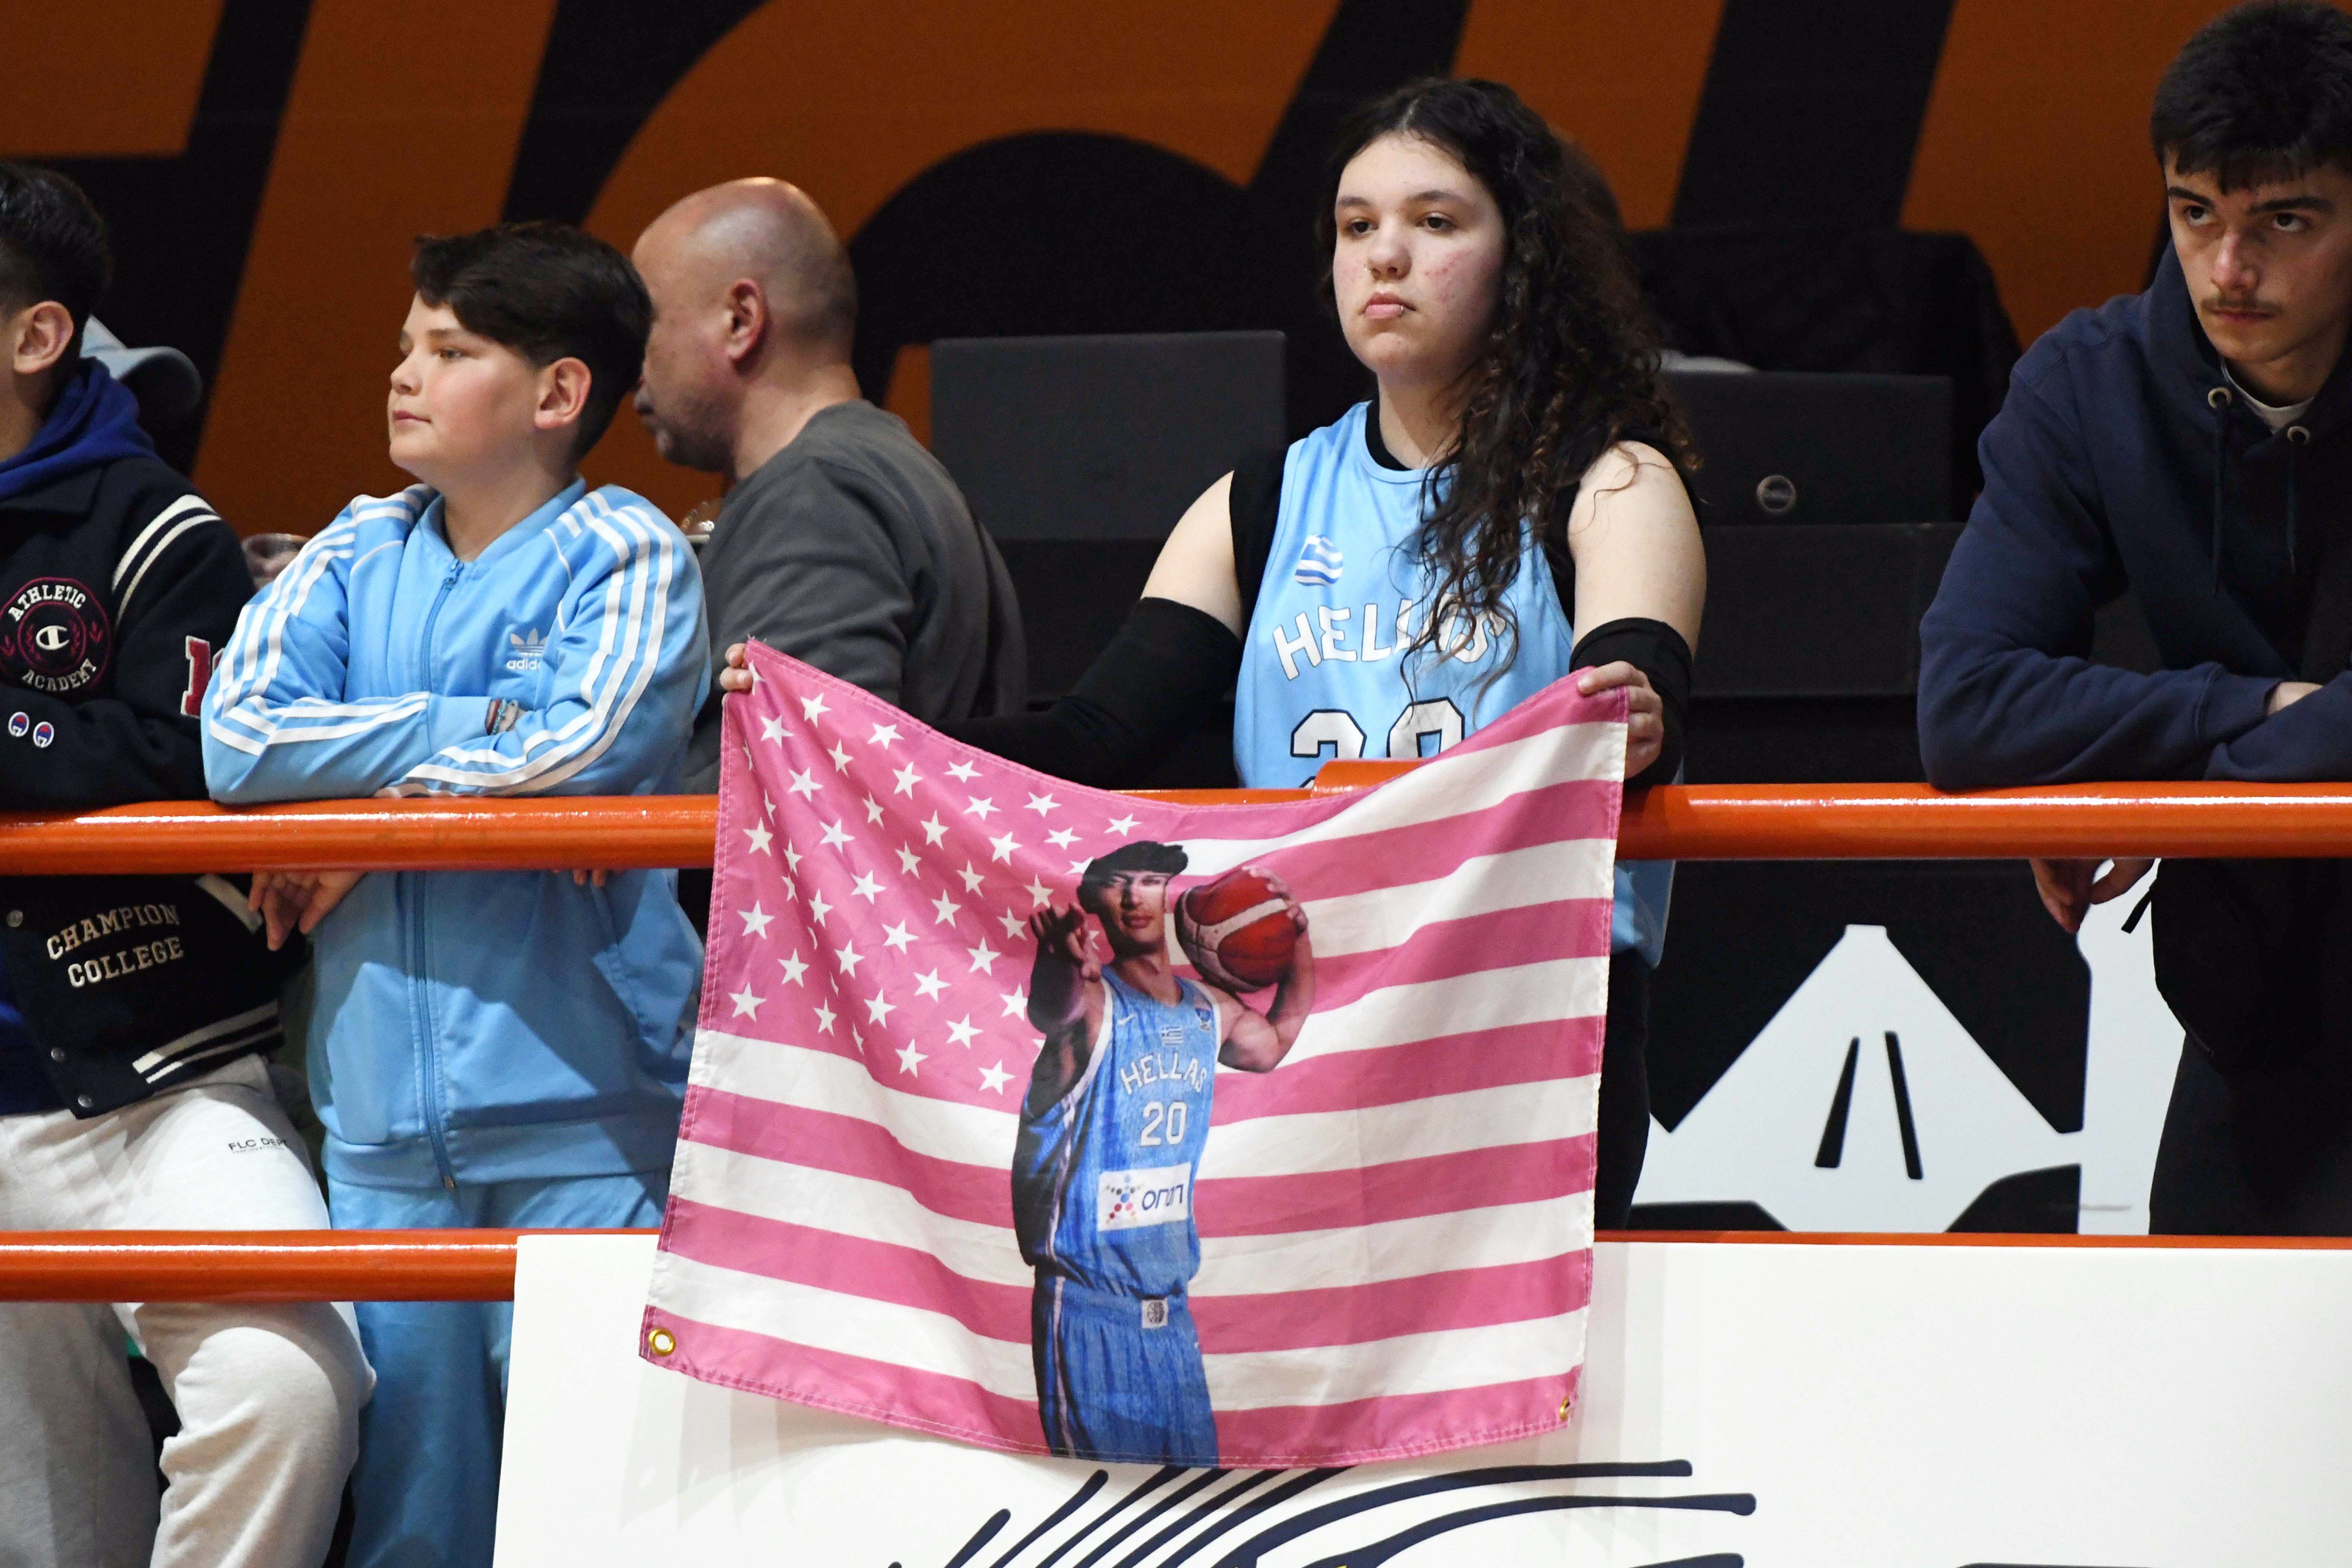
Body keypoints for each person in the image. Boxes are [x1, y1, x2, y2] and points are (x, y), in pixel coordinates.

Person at [723, 79, 1703, 1225]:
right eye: (1356, 226)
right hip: (1303, 1031)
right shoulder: (1258, 505)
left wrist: (1637, 712)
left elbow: (1635, 694)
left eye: (1435, 221)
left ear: (1521, 257)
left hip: (1519, 1016)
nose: (1385, 256)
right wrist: (836, 721)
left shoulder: (1610, 482)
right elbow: (1092, 738)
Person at [201, 222, 708, 1567]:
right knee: (413, 1529)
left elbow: (592, 745)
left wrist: (361, 828)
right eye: (405, 345)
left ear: (559, 392)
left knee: (603, 1520)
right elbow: (238, 740)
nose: (403, 374)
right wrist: (476, 723)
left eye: (449, 348)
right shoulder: (355, 545)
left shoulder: (628, 550)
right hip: (380, 1136)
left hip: (591, 1128)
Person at [1918, 0, 2352, 1233]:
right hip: (2252, 1009)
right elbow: (1966, 708)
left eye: (2285, 220)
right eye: (2195, 212)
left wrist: (2152, 770)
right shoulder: (2088, 380)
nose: (2227, 269)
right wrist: (2264, 715)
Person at [0, 162, 370, 1568]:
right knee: (46, 1537)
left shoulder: (158, 527)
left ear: (36, 334)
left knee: (287, 1389)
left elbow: (180, 758)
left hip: (161, 1079)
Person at [632, 177, 1025, 797]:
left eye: (647, 322)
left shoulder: (819, 497)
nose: (632, 364)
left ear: (740, 320)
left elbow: (797, 795)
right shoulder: (880, 473)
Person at [1015, 842, 1313, 1464]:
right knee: (1110, 1511)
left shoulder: (1208, 1010)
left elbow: (1275, 1042)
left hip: (1171, 1322)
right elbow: (1054, 1010)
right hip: (1090, 1313)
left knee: (1193, 1507)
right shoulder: (1092, 1006)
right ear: (1096, 902)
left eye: (1150, 881)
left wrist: (1297, 939)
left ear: (1170, 895)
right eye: (1118, 883)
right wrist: (1057, 961)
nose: (1134, 896)